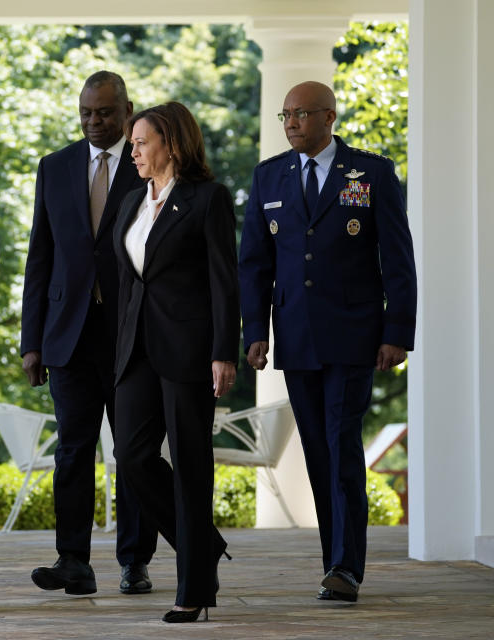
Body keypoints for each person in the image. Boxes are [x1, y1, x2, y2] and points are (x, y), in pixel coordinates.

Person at [239, 81, 416, 603]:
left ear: (328, 117)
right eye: (285, 115)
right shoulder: (268, 175)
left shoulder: (371, 173)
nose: (291, 123)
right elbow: (254, 264)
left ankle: (345, 568)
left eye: (300, 114)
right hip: (296, 339)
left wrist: (397, 332)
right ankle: (333, 562)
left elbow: (397, 260)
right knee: (317, 450)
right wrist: (255, 332)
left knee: (341, 445)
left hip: (354, 336)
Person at [21, 71, 158, 596]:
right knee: (73, 452)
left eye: (103, 112)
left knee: (134, 452)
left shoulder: (148, 162)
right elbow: (41, 257)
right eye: (85, 113)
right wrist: (32, 340)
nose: (94, 122)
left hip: (132, 336)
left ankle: (134, 561)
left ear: (127, 110)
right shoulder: (54, 167)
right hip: (67, 336)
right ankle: (73, 560)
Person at [112, 102, 239, 623]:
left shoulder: (207, 200)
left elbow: (223, 282)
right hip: (135, 350)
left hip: (189, 350)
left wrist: (223, 351)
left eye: (141, 142)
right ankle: (203, 543)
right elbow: (127, 283)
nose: (133, 151)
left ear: (171, 142)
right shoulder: (129, 204)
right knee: (133, 456)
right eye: (133, 143)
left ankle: (193, 588)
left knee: (190, 464)